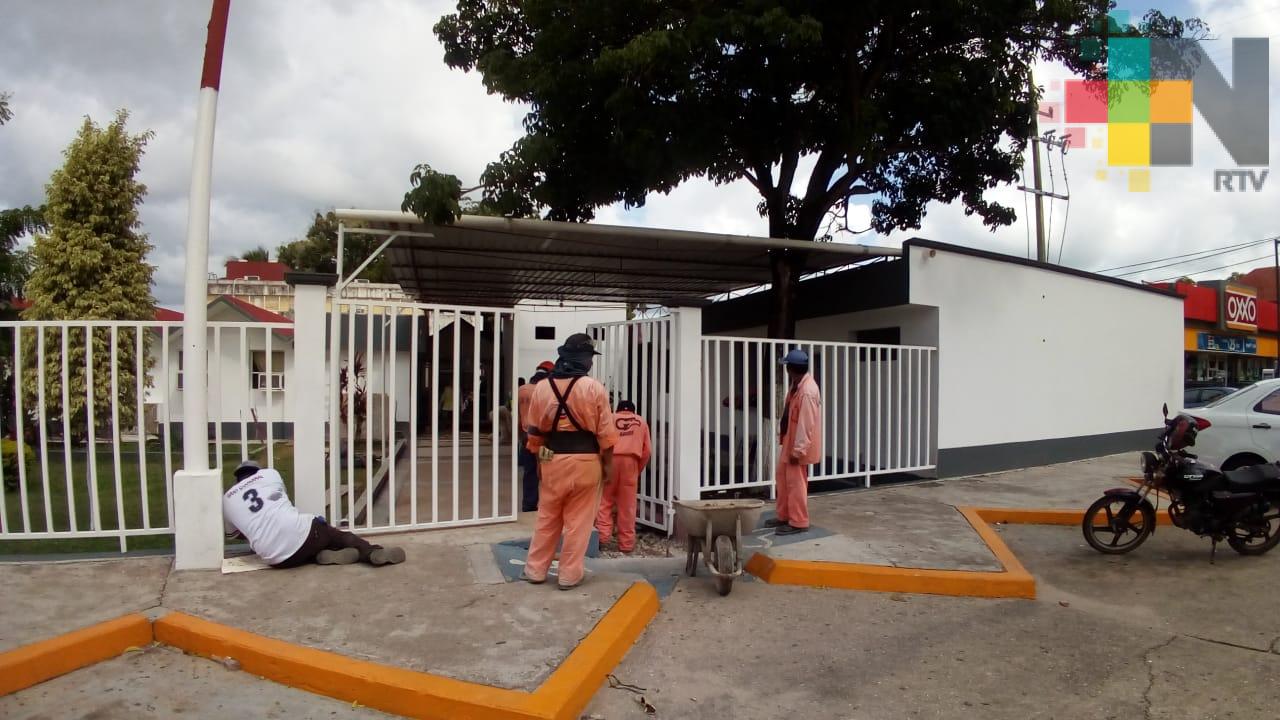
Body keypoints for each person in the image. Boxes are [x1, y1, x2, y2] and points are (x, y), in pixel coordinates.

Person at [522, 335, 617, 589]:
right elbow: (606, 436)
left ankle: (535, 570)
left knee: (547, 517)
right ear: (584, 360)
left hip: (553, 460)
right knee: (579, 522)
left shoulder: (542, 387)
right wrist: (608, 467)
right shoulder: (593, 388)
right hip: (587, 462)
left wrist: (542, 464)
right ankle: (569, 575)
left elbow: (534, 435)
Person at [223, 460, 406, 568]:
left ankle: (321, 556)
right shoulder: (269, 475)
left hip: (276, 560)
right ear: (257, 471)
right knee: (338, 536)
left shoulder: (228, 499)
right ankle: (372, 553)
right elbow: (283, 499)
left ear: (237, 479)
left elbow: (235, 534)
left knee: (299, 545)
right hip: (304, 535)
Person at [765, 349, 823, 536]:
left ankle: (798, 521)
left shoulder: (807, 391)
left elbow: (806, 425)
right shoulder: (797, 385)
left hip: (798, 445)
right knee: (782, 479)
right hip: (790, 441)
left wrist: (798, 451)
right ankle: (784, 515)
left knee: (796, 483)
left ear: (791, 369)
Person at [595, 400, 651, 553]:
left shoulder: (610, 418)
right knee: (627, 506)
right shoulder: (641, 422)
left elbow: (601, 441)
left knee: (604, 501)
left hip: (610, 460)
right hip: (630, 463)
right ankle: (626, 545)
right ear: (633, 411)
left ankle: (602, 538)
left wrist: (603, 464)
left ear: (617, 410)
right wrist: (636, 470)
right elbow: (647, 452)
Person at [517, 361, 555, 512]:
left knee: (530, 471)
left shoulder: (521, 390)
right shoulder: (545, 390)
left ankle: (528, 504)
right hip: (544, 438)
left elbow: (517, 417)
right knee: (546, 471)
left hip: (526, 437)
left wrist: (520, 436)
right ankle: (547, 504)